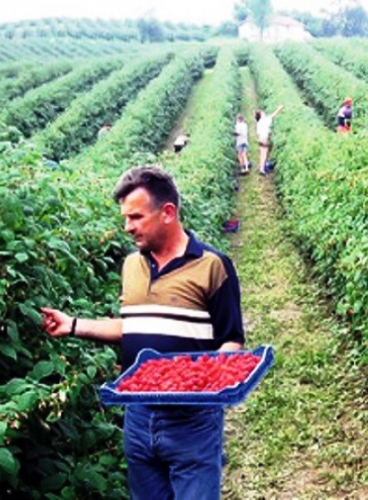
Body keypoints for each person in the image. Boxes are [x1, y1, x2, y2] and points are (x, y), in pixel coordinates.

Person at [40, 165, 245, 500]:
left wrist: (203, 383)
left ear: (167, 212)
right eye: (125, 218)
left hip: (191, 419)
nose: (127, 227)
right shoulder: (131, 265)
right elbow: (135, 326)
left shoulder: (212, 265)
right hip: (138, 414)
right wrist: (73, 324)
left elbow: (232, 339)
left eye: (135, 217)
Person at [255, 104, 283, 175]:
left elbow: (258, 133)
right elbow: (273, 115)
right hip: (264, 139)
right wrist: (279, 109)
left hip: (260, 139)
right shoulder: (264, 120)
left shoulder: (259, 122)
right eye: (262, 112)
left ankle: (263, 167)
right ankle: (262, 169)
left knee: (263, 154)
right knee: (264, 154)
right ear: (261, 115)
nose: (264, 113)